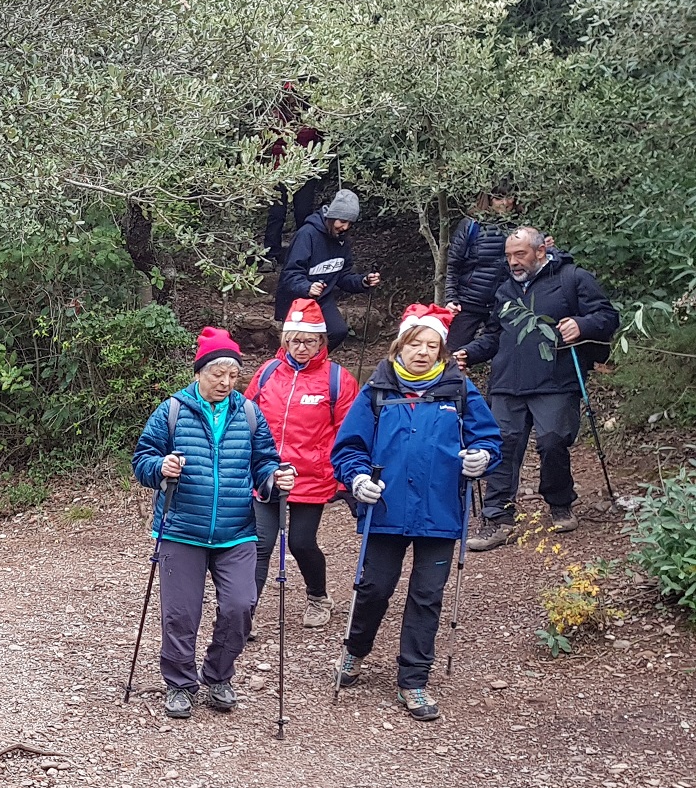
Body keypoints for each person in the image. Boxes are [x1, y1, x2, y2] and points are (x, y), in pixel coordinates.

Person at [330, 305, 502, 721]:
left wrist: (481, 457)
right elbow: (348, 448)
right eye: (415, 344)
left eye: (431, 345)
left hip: (440, 512)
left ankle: (413, 680)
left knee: (427, 596)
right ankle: (356, 650)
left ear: (441, 351)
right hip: (386, 509)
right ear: (400, 347)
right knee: (374, 588)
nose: (422, 352)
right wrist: (357, 478)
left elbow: (488, 439)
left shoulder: (459, 390)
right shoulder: (377, 390)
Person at [132, 327, 294, 719]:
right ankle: (180, 683)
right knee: (180, 613)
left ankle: (218, 675)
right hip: (181, 528)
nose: (225, 381)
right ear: (199, 372)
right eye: (217, 373)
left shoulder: (249, 413)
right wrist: (161, 466)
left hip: (236, 530)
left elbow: (264, 462)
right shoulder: (171, 411)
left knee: (241, 606)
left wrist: (275, 478)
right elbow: (142, 460)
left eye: (233, 374)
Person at [457, 226, 619, 549]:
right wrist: (469, 353)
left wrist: (582, 324)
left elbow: (607, 317)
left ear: (540, 251)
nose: (513, 262)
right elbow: (494, 335)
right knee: (501, 447)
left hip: (555, 380)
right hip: (507, 382)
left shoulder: (572, 278)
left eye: (520, 254)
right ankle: (497, 519)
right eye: (509, 256)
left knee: (553, 443)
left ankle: (560, 503)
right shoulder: (505, 289)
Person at [246, 298, 357, 629]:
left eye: (309, 341)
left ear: (322, 341)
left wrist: (345, 479)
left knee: (301, 542)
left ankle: (318, 597)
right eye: (294, 340)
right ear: (285, 339)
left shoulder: (337, 379)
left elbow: (349, 432)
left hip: (311, 476)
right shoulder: (268, 372)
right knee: (260, 543)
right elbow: (246, 416)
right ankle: (243, 613)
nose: (301, 347)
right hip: (267, 473)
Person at [275, 188, 382, 350]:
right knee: (300, 340)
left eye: (350, 223)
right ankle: (297, 362)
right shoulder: (307, 234)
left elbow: (343, 276)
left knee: (338, 331)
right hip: (297, 300)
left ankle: (314, 362)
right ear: (331, 217)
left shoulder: (342, 241)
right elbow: (290, 274)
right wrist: (307, 287)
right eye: (342, 221)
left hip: (323, 299)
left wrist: (363, 281)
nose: (345, 227)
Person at [261, 82, 330, 266]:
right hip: (279, 170)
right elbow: (267, 140)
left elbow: (323, 135)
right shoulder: (274, 114)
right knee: (276, 213)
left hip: (304, 169)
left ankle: (305, 252)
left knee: (303, 213)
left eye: (293, 94)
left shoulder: (311, 115)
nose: (290, 98)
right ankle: (270, 254)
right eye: (287, 94)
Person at [441, 191, 517, 355]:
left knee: (504, 355)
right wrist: (451, 298)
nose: (505, 203)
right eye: (498, 198)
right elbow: (453, 264)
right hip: (468, 302)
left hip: (503, 304)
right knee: (451, 354)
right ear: (489, 199)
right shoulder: (472, 225)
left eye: (509, 197)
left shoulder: (522, 227)